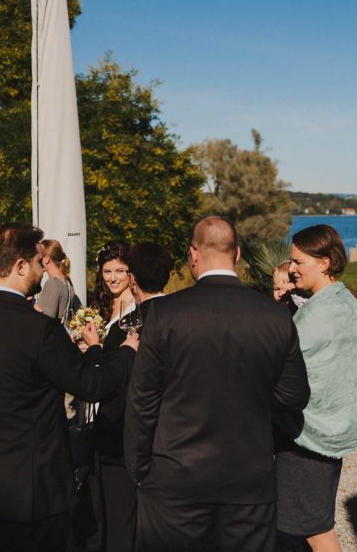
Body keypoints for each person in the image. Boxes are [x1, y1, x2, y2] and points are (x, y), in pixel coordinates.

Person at [0, 223, 139, 552]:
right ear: (19, 266)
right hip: (33, 488)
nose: (44, 270)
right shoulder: (39, 330)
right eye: (39, 262)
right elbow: (92, 385)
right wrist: (127, 353)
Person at [125, 216, 310, 551]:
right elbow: (295, 394)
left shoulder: (165, 314)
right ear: (237, 254)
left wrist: (139, 470)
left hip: (175, 478)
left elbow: (143, 402)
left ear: (193, 254)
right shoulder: (274, 315)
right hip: (248, 480)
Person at [280, 224, 357, 552]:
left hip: (309, 437)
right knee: (314, 524)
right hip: (333, 432)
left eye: (298, 262)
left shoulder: (319, 313)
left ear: (324, 263)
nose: (290, 269)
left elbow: (281, 363)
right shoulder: (346, 302)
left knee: (317, 531)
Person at [94, 241, 173, 552]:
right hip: (169, 439)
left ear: (134, 278)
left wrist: (97, 352)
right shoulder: (179, 316)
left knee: (120, 521)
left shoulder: (128, 326)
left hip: (121, 437)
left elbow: (111, 381)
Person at [34, 239, 81, 319]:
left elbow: (47, 319)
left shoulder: (53, 283)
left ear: (46, 259)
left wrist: (31, 304)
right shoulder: (67, 281)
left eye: (39, 256)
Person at [95, 240, 136, 331]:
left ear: (130, 272)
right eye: (107, 271)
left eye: (119, 271)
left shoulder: (136, 307)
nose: (113, 278)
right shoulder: (101, 304)